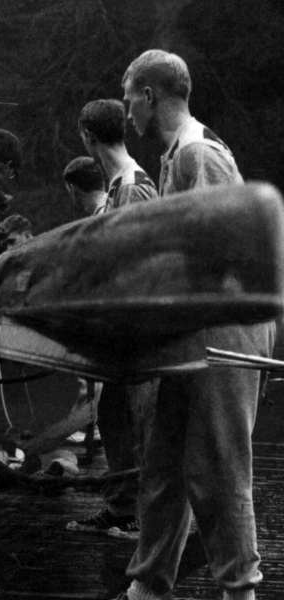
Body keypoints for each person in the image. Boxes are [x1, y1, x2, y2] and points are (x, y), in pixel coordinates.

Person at [112, 49, 276, 600]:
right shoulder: (176, 156)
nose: (125, 106)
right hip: (191, 328)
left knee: (218, 465)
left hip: (222, 327)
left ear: (149, 95)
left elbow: (213, 255)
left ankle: (240, 590)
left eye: (128, 93)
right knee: (164, 462)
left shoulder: (198, 155)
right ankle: (149, 586)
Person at [66, 100, 158, 540]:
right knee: (113, 415)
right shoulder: (123, 186)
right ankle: (121, 508)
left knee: (138, 423)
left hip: (138, 334)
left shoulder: (134, 188)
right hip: (123, 332)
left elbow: (138, 268)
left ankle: (142, 516)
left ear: (88, 137)